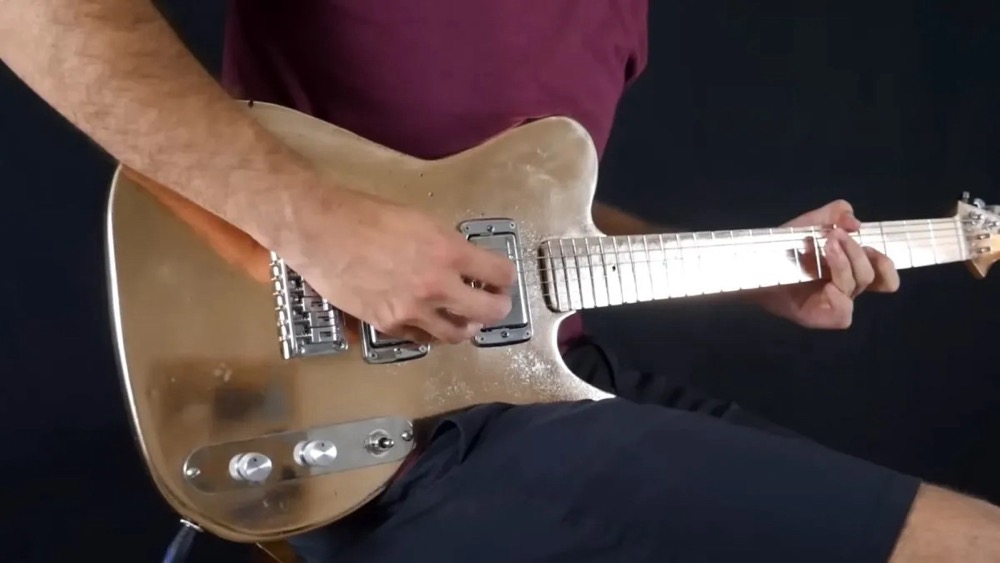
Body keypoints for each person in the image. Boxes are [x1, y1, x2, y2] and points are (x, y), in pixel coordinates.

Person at [3, 2, 999, 561]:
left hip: (546, 387)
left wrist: (753, 268)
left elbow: (521, 222)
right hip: (386, 440)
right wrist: (318, 225)